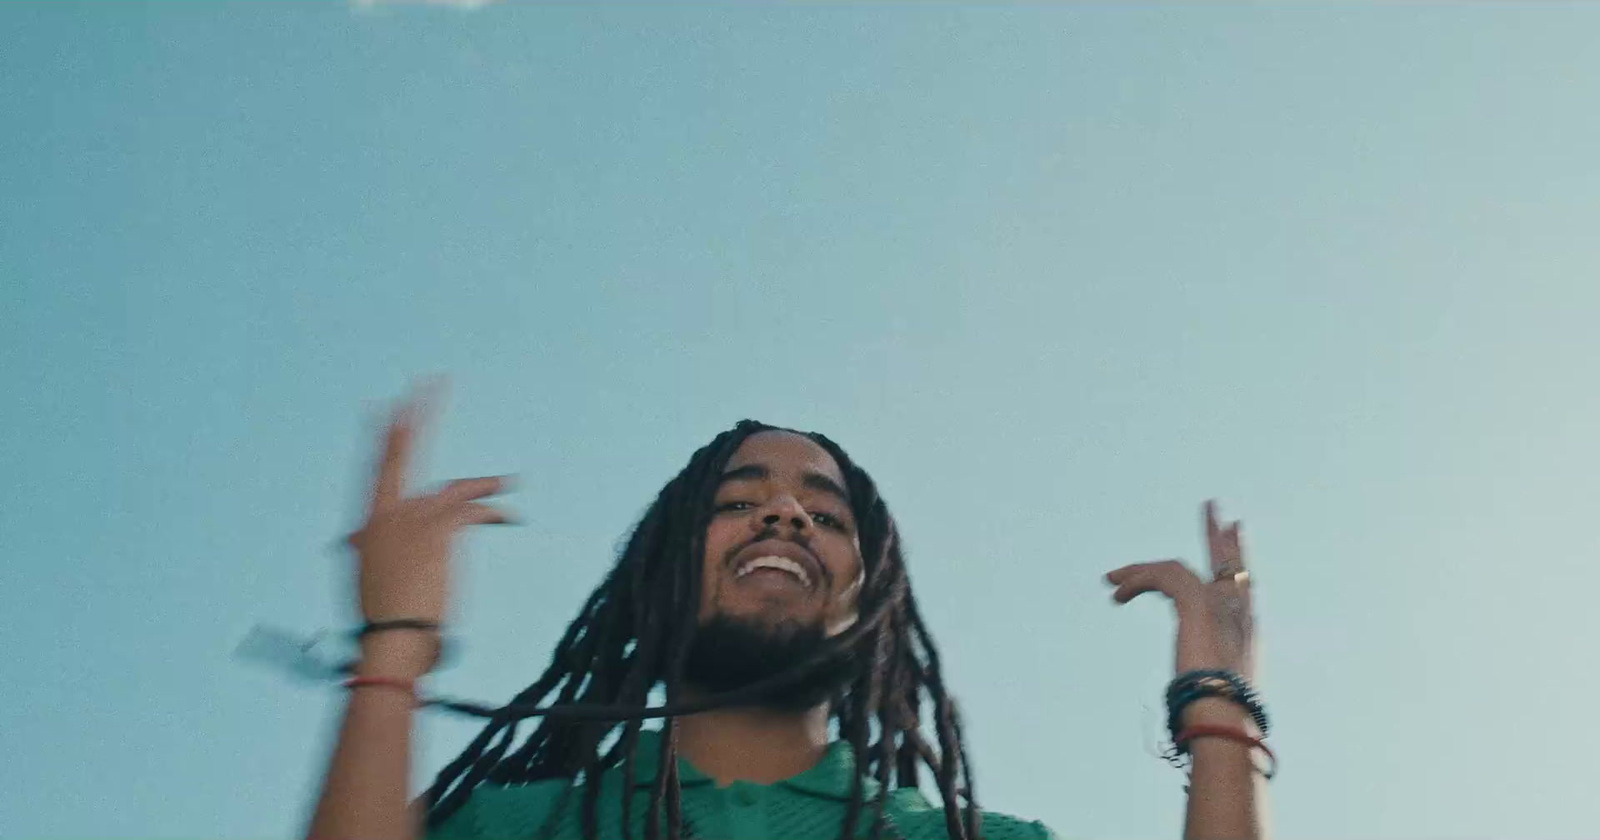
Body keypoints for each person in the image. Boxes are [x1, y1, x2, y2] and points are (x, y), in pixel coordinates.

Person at [304, 384, 1269, 840]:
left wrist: (1220, 704)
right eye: (737, 500)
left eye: (827, 511)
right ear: (658, 579)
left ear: (871, 597)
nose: (785, 512)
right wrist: (394, 641)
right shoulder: (527, 825)